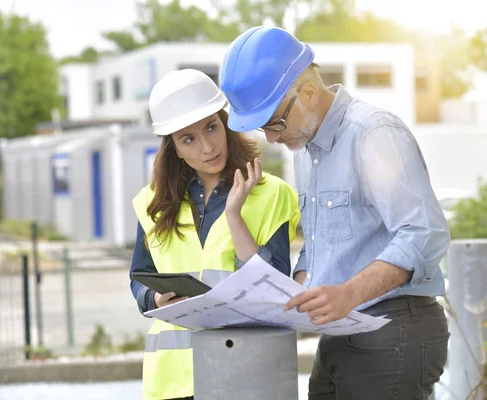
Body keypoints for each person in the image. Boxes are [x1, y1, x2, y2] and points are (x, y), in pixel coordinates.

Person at [219, 26, 451, 400]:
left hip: (392, 332)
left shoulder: (372, 133)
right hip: (341, 334)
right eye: (265, 129)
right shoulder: (308, 152)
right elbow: (321, 243)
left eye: (275, 124)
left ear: (308, 93)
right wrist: (297, 289)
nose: (274, 139)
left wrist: (349, 293)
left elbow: (424, 233)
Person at [129, 68, 300, 400]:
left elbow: (274, 284)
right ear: (175, 148)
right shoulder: (151, 203)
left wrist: (234, 214)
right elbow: (139, 277)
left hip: (242, 374)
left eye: (211, 127)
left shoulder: (271, 194)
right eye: (188, 139)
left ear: (226, 124)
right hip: (170, 382)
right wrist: (155, 298)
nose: (207, 147)